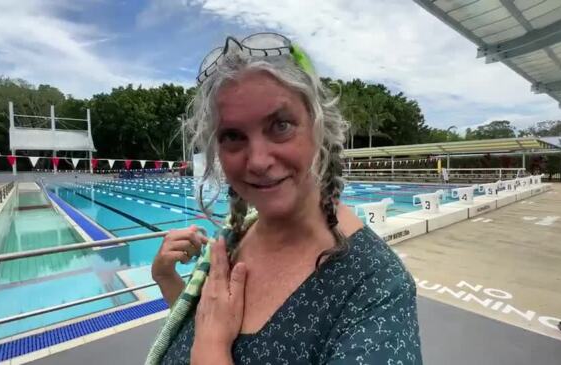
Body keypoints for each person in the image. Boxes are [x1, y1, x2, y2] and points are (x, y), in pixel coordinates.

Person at [146, 33, 422, 364]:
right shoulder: (232, 239)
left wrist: (212, 348)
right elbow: (197, 328)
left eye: (280, 125)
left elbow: (206, 341)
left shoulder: (376, 289)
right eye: (233, 136)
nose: (258, 161)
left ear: (320, 126)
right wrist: (167, 279)